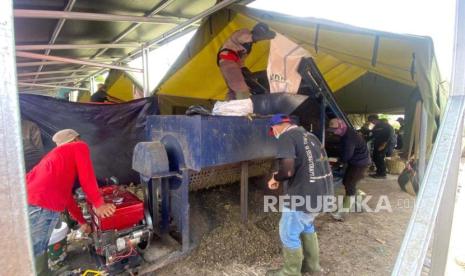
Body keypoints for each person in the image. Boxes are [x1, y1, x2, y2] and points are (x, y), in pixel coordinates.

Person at [27, 129, 116, 275]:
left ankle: (45, 272)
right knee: (36, 246)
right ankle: (41, 273)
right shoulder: (78, 146)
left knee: (37, 244)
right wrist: (99, 204)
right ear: (76, 139)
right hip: (39, 202)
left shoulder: (56, 159)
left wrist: (82, 221)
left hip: (29, 198)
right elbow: (86, 176)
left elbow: (67, 198)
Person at [266, 114, 332, 276]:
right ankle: (312, 266)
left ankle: (290, 272)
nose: (274, 134)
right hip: (322, 192)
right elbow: (306, 164)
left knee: (288, 232)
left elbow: (287, 170)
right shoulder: (311, 136)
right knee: (306, 225)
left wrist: (275, 178)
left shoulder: (286, 137)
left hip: (303, 194)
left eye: (272, 130)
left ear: (277, 126)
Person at [217, 23, 276, 100]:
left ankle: (228, 108)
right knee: (240, 86)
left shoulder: (249, 45)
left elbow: (241, 59)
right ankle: (243, 108)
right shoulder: (244, 32)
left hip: (232, 62)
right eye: (261, 36)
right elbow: (243, 37)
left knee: (233, 90)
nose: (261, 39)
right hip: (227, 59)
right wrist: (261, 36)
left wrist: (243, 68)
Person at [327, 118, 371, 219]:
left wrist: (335, 162)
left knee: (349, 184)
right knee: (347, 182)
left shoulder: (348, 137)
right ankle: (359, 203)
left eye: (335, 130)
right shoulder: (346, 133)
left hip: (360, 163)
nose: (334, 133)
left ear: (341, 126)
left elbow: (346, 156)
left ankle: (343, 214)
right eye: (332, 130)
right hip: (357, 161)